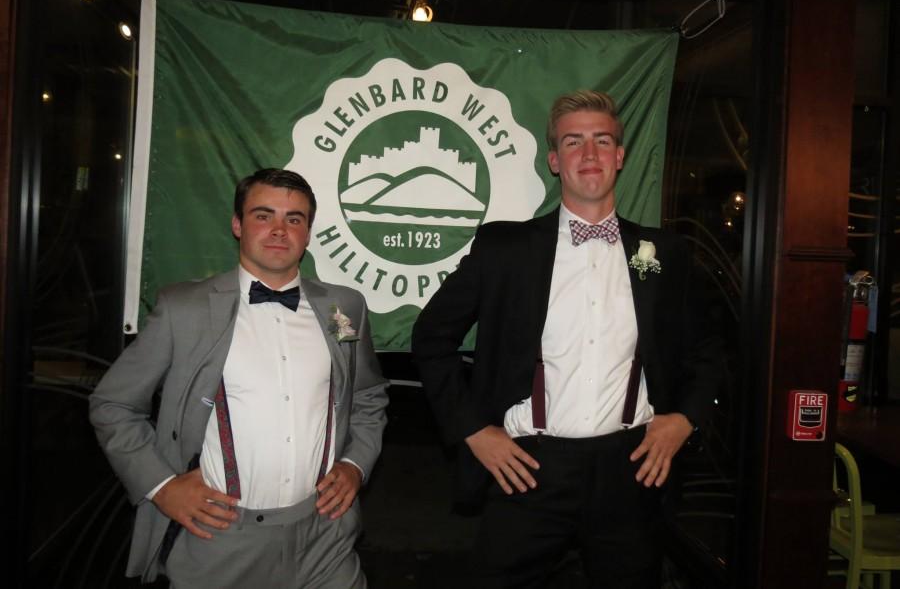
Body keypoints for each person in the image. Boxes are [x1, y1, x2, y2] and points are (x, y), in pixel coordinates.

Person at [412, 90, 720, 588]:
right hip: (528, 468)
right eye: (574, 142)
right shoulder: (504, 248)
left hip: (631, 469)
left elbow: (707, 349)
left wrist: (685, 419)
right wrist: (472, 430)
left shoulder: (667, 253)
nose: (590, 154)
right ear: (555, 160)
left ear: (620, 156)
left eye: (602, 140)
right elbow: (431, 338)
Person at [90, 168, 388, 588]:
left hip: (326, 534)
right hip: (220, 537)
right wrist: (162, 486)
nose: (280, 230)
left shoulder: (345, 308)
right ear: (237, 225)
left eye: (294, 219)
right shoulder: (184, 310)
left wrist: (356, 465)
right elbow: (113, 405)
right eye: (263, 216)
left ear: (307, 232)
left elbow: (369, 398)